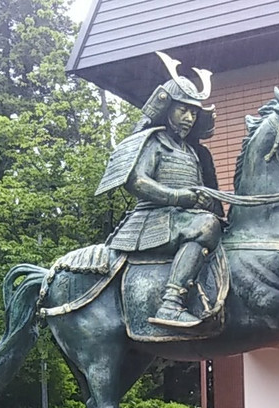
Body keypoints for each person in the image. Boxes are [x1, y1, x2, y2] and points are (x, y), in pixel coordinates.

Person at [95, 53, 224, 327]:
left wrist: (205, 199)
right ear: (167, 109)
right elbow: (136, 181)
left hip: (183, 218)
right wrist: (179, 196)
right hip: (154, 218)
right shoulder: (154, 142)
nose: (189, 117)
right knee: (206, 226)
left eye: (193, 112)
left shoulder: (193, 152)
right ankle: (170, 304)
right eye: (182, 110)